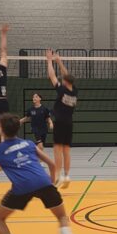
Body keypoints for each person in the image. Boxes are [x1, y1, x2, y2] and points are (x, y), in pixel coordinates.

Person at [46, 50, 77, 189]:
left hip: (59, 121)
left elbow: (52, 76)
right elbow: (66, 75)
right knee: (67, 149)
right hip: (69, 123)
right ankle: (67, 175)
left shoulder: (61, 90)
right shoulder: (74, 91)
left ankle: (57, 176)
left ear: (64, 82)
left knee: (57, 149)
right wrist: (59, 61)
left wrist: (49, 60)